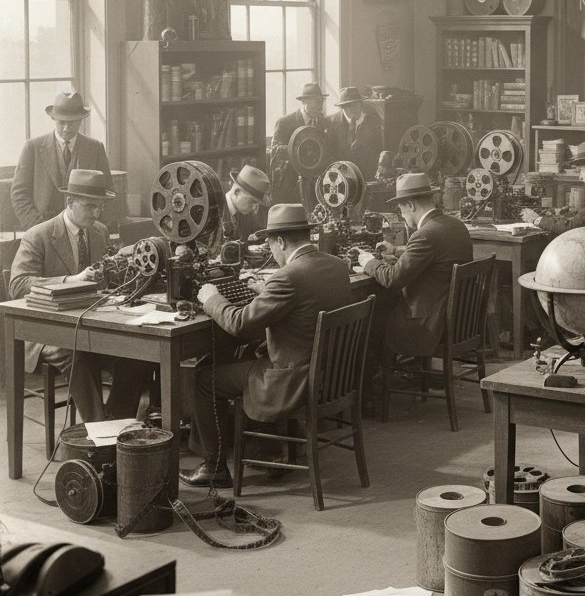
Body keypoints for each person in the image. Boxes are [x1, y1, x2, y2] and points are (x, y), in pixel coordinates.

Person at [180, 203, 353, 488]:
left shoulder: (288, 277)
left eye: (270, 244)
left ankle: (214, 468)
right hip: (329, 375)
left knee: (204, 376)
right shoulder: (336, 266)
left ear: (281, 241)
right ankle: (271, 451)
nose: (270, 251)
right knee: (244, 354)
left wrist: (211, 297)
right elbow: (303, 302)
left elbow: (238, 323)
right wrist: (266, 291)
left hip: (290, 381)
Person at [9, 170, 152, 423]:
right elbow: (18, 284)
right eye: (89, 207)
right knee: (77, 354)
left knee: (139, 353)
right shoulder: (38, 235)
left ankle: (116, 421)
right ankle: (99, 434)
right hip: (46, 331)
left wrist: (123, 269)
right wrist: (70, 280)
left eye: (99, 207)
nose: (96, 214)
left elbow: (107, 281)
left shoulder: (98, 232)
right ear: (69, 202)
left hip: (90, 324)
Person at [358, 173, 473, 361]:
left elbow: (393, 279)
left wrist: (368, 261)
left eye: (401, 209)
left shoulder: (424, 235)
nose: (402, 215)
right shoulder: (456, 226)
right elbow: (436, 257)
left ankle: (374, 386)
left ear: (411, 205)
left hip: (426, 328)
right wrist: (397, 251)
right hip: (455, 322)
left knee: (368, 318)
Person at [12, 91, 112, 231]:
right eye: (62, 123)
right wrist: (37, 228)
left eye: (72, 123)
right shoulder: (32, 147)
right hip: (42, 227)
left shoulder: (95, 148)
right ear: (53, 119)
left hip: (85, 229)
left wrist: (95, 228)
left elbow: (107, 192)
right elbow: (19, 194)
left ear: (81, 120)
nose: (66, 128)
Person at [269, 82, 335, 205]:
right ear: (306, 102)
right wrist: (300, 151)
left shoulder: (324, 123)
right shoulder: (285, 122)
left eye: (321, 102)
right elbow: (275, 152)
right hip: (290, 183)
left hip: (316, 186)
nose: (321, 107)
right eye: (317, 102)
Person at [208, 164, 271, 254]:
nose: (254, 207)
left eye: (256, 203)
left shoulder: (248, 214)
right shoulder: (212, 211)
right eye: (252, 201)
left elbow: (258, 235)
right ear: (237, 192)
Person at [329, 88, 384, 181]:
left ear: (361, 104)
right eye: (348, 106)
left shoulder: (373, 122)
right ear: (342, 108)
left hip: (368, 177)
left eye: (356, 104)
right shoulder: (331, 123)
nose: (353, 109)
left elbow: (379, 149)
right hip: (342, 178)